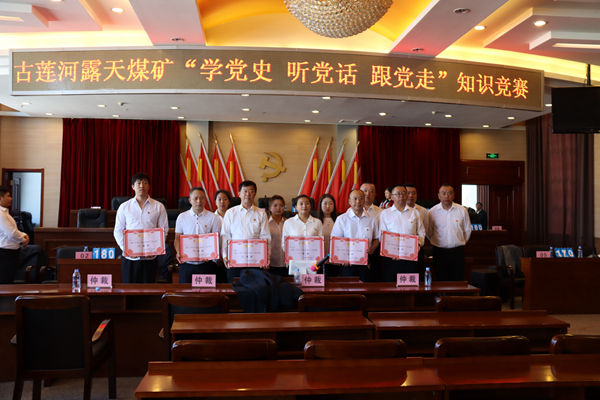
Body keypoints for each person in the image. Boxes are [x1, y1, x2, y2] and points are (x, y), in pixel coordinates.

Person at [114, 172, 169, 283]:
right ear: (133, 187)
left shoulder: (159, 207)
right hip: (129, 258)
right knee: (129, 290)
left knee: (148, 290)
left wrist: (156, 249)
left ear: (149, 186)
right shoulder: (124, 207)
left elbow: (164, 230)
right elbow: (118, 231)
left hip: (150, 257)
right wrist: (126, 249)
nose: (141, 186)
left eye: (144, 183)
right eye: (138, 183)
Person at [221, 180, 271, 283]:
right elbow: (225, 235)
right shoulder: (230, 213)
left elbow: (265, 237)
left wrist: (267, 256)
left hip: (256, 259)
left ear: (255, 194)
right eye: (245, 191)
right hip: (235, 259)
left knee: (255, 287)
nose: (248, 194)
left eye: (251, 191)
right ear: (239, 194)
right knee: (234, 287)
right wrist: (225, 255)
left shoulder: (261, 214)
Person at [174, 187, 222, 283]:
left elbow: (217, 240)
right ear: (190, 200)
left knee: (206, 291)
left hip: (206, 264)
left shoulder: (213, 217)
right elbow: (177, 239)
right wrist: (179, 252)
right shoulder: (182, 217)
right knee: (186, 291)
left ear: (205, 199)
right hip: (187, 264)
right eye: (195, 198)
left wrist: (211, 255)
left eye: (201, 198)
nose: (199, 201)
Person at [330, 189, 379, 282]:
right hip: (348, 263)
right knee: (348, 288)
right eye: (355, 198)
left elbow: (376, 238)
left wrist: (372, 248)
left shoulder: (372, 219)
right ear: (349, 201)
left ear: (364, 200)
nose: (358, 201)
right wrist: (342, 257)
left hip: (366, 262)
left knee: (365, 288)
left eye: (361, 198)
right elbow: (335, 240)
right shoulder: (342, 219)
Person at [379, 185, 425, 282]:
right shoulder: (385, 213)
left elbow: (421, 231)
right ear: (392, 197)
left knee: (410, 285)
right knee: (391, 285)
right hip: (392, 258)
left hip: (411, 257)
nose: (401, 196)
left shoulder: (415, 212)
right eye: (398, 194)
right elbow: (382, 235)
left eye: (404, 193)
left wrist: (419, 244)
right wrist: (391, 252)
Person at [427, 184, 472, 282]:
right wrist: (438, 241)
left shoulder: (462, 210)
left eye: (449, 193)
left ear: (454, 195)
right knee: (440, 280)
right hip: (439, 252)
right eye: (443, 193)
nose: (446, 196)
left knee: (457, 280)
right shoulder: (432, 212)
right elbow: (429, 232)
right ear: (439, 195)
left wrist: (459, 241)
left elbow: (467, 230)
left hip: (457, 252)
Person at [282, 194, 323, 270]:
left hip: (312, 262)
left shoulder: (317, 222)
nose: (304, 206)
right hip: (294, 261)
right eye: (301, 203)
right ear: (296, 207)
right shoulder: (288, 222)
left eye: (307, 203)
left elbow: (320, 245)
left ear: (310, 206)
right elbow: (284, 244)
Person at [0, 185, 30, 284]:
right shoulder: (1, 214)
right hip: (5, 252)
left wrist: (24, 235)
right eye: (8, 196)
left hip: (10, 251)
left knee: (9, 279)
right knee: (5, 281)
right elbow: (11, 233)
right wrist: (23, 239)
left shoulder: (5, 213)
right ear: (0, 198)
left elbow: (13, 230)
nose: (11, 198)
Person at [360, 182, 382, 281]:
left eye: (371, 191)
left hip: (375, 250)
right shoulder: (349, 212)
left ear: (375, 195)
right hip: (356, 252)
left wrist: (373, 247)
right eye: (365, 191)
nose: (367, 194)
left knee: (374, 280)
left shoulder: (381, 212)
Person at [316, 193, 338, 277]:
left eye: (330, 203)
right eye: (325, 203)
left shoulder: (338, 221)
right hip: (319, 260)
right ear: (320, 206)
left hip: (334, 260)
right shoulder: (315, 222)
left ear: (334, 206)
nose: (328, 206)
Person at [268, 195, 287, 277]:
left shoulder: (288, 223)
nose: (278, 208)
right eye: (275, 205)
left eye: (281, 205)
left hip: (286, 263)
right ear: (270, 208)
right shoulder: (266, 224)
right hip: (271, 263)